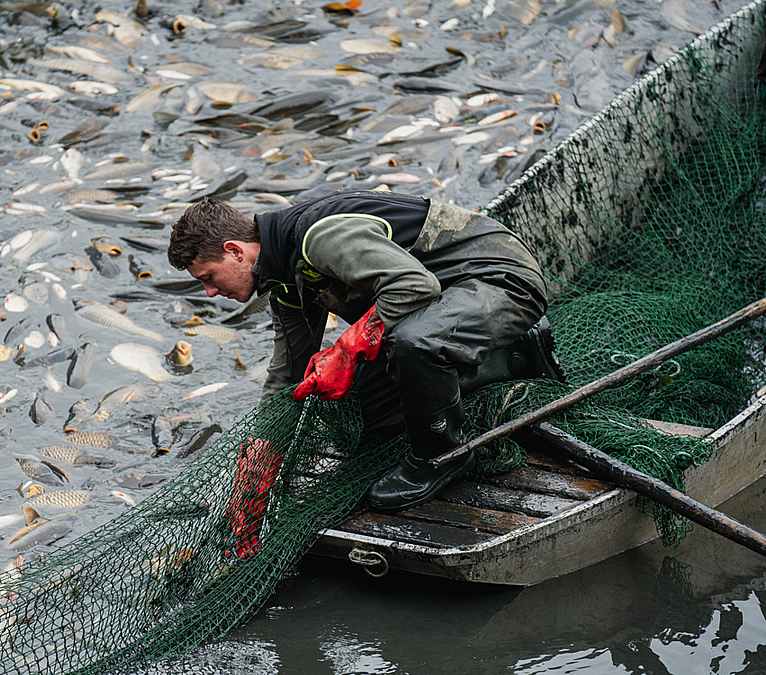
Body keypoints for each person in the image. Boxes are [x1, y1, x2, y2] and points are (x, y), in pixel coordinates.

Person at [167, 190, 564, 552]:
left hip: (500, 281)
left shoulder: (316, 238)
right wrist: (256, 474)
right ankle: (499, 358)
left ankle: (444, 454)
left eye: (208, 278)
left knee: (415, 343)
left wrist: (347, 347)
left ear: (235, 251)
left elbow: (415, 286)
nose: (210, 293)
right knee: (365, 412)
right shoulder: (282, 278)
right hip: (442, 305)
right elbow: (287, 375)